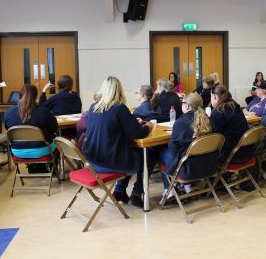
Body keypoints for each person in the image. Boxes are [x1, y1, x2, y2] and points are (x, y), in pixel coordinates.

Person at [82, 76, 153, 206]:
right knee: (149, 154)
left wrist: (130, 123)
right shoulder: (119, 108)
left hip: (92, 161)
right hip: (110, 163)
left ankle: (120, 190)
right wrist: (147, 127)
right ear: (119, 90)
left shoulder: (93, 107)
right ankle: (137, 194)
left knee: (128, 152)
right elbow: (137, 133)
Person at [159, 93, 213, 196]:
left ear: (187, 105)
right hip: (209, 165)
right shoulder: (209, 119)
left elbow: (173, 149)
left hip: (188, 168)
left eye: (182, 103)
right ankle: (187, 186)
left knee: (161, 152)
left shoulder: (180, 122)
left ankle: (169, 189)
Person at [4, 84, 58, 159]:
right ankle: (53, 170)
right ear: (36, 97)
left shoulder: (9, 112)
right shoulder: (43, 111)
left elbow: (8, 128)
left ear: (19, 96)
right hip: (43, 149)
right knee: (57, 142)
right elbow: (54, 129)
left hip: (17, 151)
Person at [210, 85, 249, 163]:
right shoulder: (235, 106)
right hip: (245, 151)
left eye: (210, 97)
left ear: (215, 97)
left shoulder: (219, 112)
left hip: (230, 155)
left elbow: (210, 135)